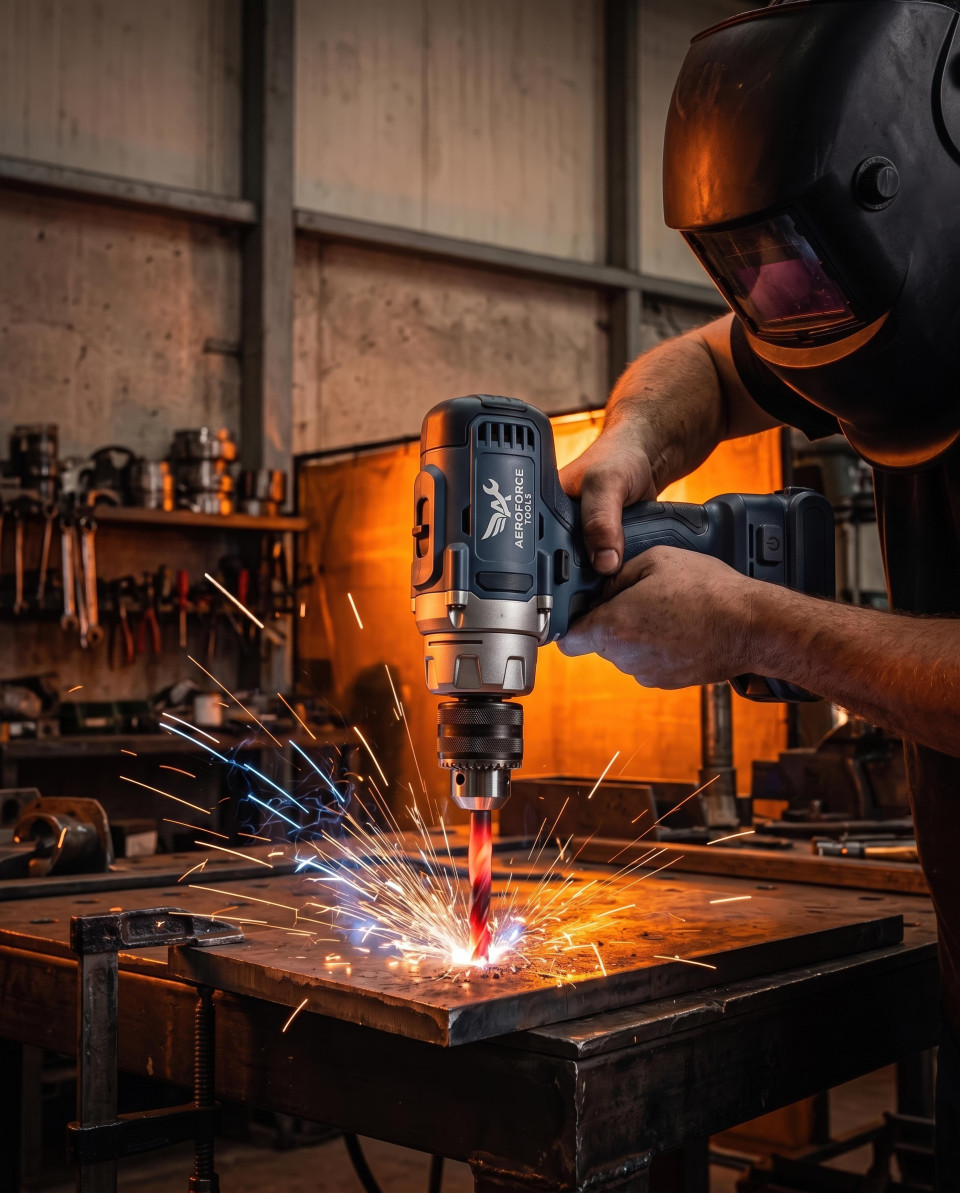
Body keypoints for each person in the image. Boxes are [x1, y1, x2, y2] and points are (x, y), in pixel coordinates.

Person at [557, 1, 960, 1186]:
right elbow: (705, 362)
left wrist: (748, 621)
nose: (788, 304)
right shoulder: (866, 285)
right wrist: (628, 443)